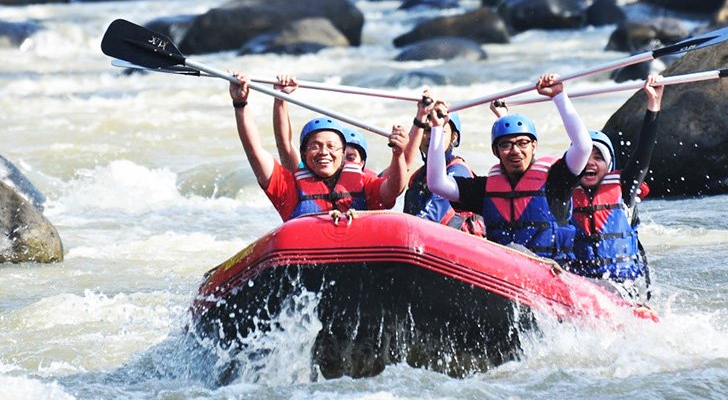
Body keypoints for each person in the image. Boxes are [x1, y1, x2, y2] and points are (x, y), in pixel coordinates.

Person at [426, 73, 591, 264]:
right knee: (512, 250)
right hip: (506, 274)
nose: (515, 151)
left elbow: (583, 147)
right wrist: (438, 128)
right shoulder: (487, 189)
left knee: (515, 250)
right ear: (496, 151)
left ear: (534, 146)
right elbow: (437, 183)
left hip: (553, 272)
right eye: (506, 145)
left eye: (523, 143)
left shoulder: (556, 180)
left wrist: (559, 96)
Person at [229, 72, 409, 221]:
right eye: (315, 146)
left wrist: (398, 153)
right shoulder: (287, 186)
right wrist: (240, 105)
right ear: (304, 154)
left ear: (343, 153)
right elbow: (255, 151)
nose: (324, 152)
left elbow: (394, 189)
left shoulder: (364, 183)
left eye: (331, 146)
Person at [568, 74, 664, 303]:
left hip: (624, 288)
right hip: (580, 286)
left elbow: (643, 154)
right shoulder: (563, 194)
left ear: (609, 165)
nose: (590, 163)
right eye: (584, 157)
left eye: (598, 157)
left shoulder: (624, 188)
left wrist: (654, 104)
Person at [403, 93, 484, 235]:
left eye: (438, 130)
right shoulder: (417, 177)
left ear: (454, 136)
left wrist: (402, 233)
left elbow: (432, 215)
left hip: (453, 249)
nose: (429, 137)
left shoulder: (458, 170)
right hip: (421, 243)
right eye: (426, 130)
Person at [271, 74, 373, 174]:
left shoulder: (369, 184)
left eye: (350, 158)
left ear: (362, 163)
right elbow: (284, 144)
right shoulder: (304, 172)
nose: (344, 163)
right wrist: (280, 98)